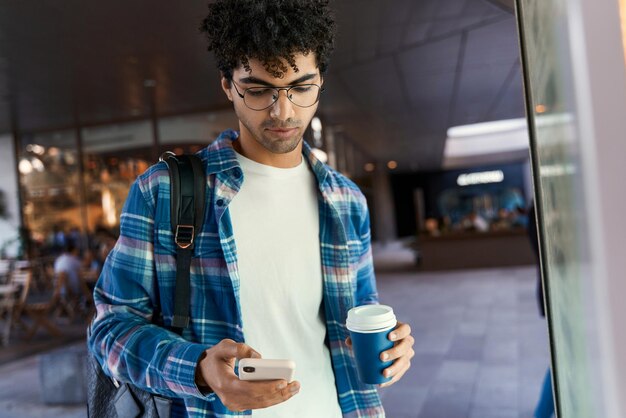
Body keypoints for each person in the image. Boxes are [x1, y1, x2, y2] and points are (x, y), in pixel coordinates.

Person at [87, 1, 415, 417]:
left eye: (300, 87)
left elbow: (361, 313)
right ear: (228, 85)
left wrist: (392, 345)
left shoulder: (347, 201)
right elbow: (110, 329)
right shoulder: (164, 192)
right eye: (258, 90)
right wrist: (200, 370)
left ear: (321, 82)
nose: (283, 110)